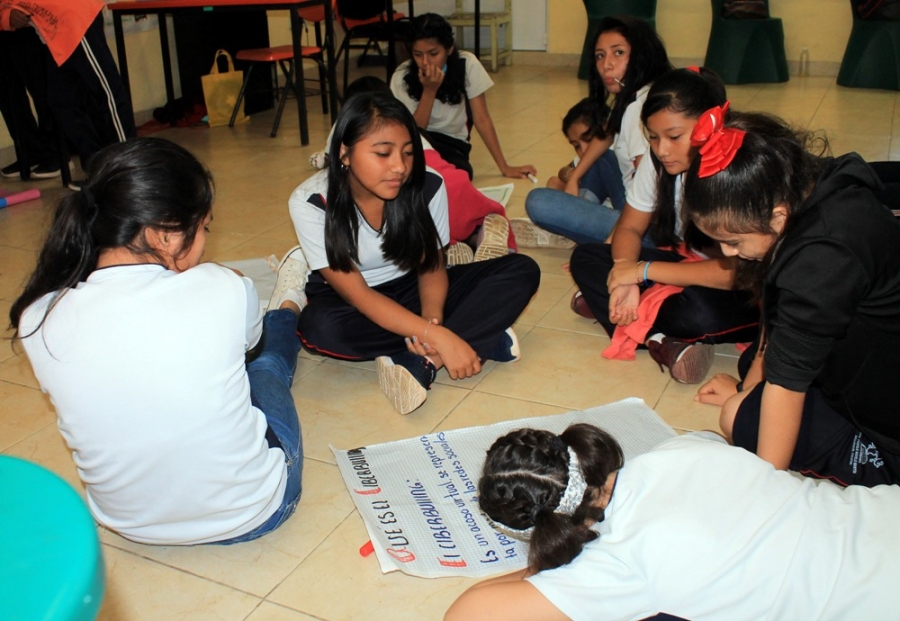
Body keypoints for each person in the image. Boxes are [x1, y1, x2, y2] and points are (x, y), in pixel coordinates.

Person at [10, 137, 306, 544]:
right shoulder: (224, 286)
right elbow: (250, 347)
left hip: (128, 524)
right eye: (203, 227)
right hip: (254, 512)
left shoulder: (38, 317)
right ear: (164, 235)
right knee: (266, 365)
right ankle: (290, 302)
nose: (205, 241)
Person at [445, 424, 900, 621]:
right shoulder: (679, 450)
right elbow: (714, 440)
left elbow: (467, 614)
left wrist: (548, 562)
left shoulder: (617, 561)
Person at [683, 107, 900, 486]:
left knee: (738, 418)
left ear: (779, 217)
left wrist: (765, 490)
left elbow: (787, 386)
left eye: (733, 241)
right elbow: (777, 319)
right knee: (751, 374)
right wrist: (748, 390)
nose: (728, 253)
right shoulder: (814, 185)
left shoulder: (821, 259)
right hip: (868, 359)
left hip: (889, 427)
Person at [289, 92, 540, 415]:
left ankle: (426, 359)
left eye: (408, 153)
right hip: (352, 301)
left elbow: (432, 268)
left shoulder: (428, 185)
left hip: (413, 289)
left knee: (521, 270)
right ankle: (478, 334)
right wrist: (436, 334)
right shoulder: (311, 201)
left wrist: (431, 323)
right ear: (344, 153)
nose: (399, 167)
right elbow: (360, 296)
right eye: (383, 153)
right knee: (319, 329)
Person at [569, 69, 759, 384]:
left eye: (674, 136)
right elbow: (629, 228)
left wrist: (641, 272)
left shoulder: (734, 169)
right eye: (653, 137)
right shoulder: (660, 161)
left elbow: (735, 273)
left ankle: (647, 325)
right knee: (586, 258)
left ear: (711, 125)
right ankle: (661, 339)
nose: (661, 150)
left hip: (747, 285)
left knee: (697, 311)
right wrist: (625, 270)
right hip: (688, 262)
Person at [309, 75, 517, 267]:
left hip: (421, 193)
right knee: (469, 221)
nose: (399, 165)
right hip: (450, 179)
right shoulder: (403, 121)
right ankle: (478, 233)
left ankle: (451, 246)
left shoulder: (344, 128)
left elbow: (331, 163)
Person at [514, 15, 671, 248]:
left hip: (647, 230)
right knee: (602, 157)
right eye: (600, 55)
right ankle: (579, 222)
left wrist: (608, 246)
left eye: (618, 53)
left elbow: (650, 191)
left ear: (641, 55)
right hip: (649, 217)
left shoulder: (639, 108)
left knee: (538, 201)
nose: (607, 65)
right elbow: (606, 136)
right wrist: (574, 177)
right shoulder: (642, 94)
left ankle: (578, 230)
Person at [0, 0, 135, 186]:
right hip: (54, 30)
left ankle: (128, 168)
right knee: (61, 101)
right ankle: (98, 171)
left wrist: (8, 14)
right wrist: (7, 16)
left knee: (106, 90)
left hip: (73, 18)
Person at [390, 12, 535, 181]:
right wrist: (429, 91)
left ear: (449, 49)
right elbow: (415, 130)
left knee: (460, 175)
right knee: (410, 171)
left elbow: (482, 119)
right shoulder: (401, 76)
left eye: (433, 53)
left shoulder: (467, 64)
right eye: (417, 54)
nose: (425, 62)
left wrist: (504, 167)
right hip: (418, 140)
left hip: (453, 143)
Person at [544, 97, 608, 199]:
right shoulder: (583, 160)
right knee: (553, 183)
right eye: (576, 146)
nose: (583, 150)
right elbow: (563, 171)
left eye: (588, 139)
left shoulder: (610, 154)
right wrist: (571, 175)